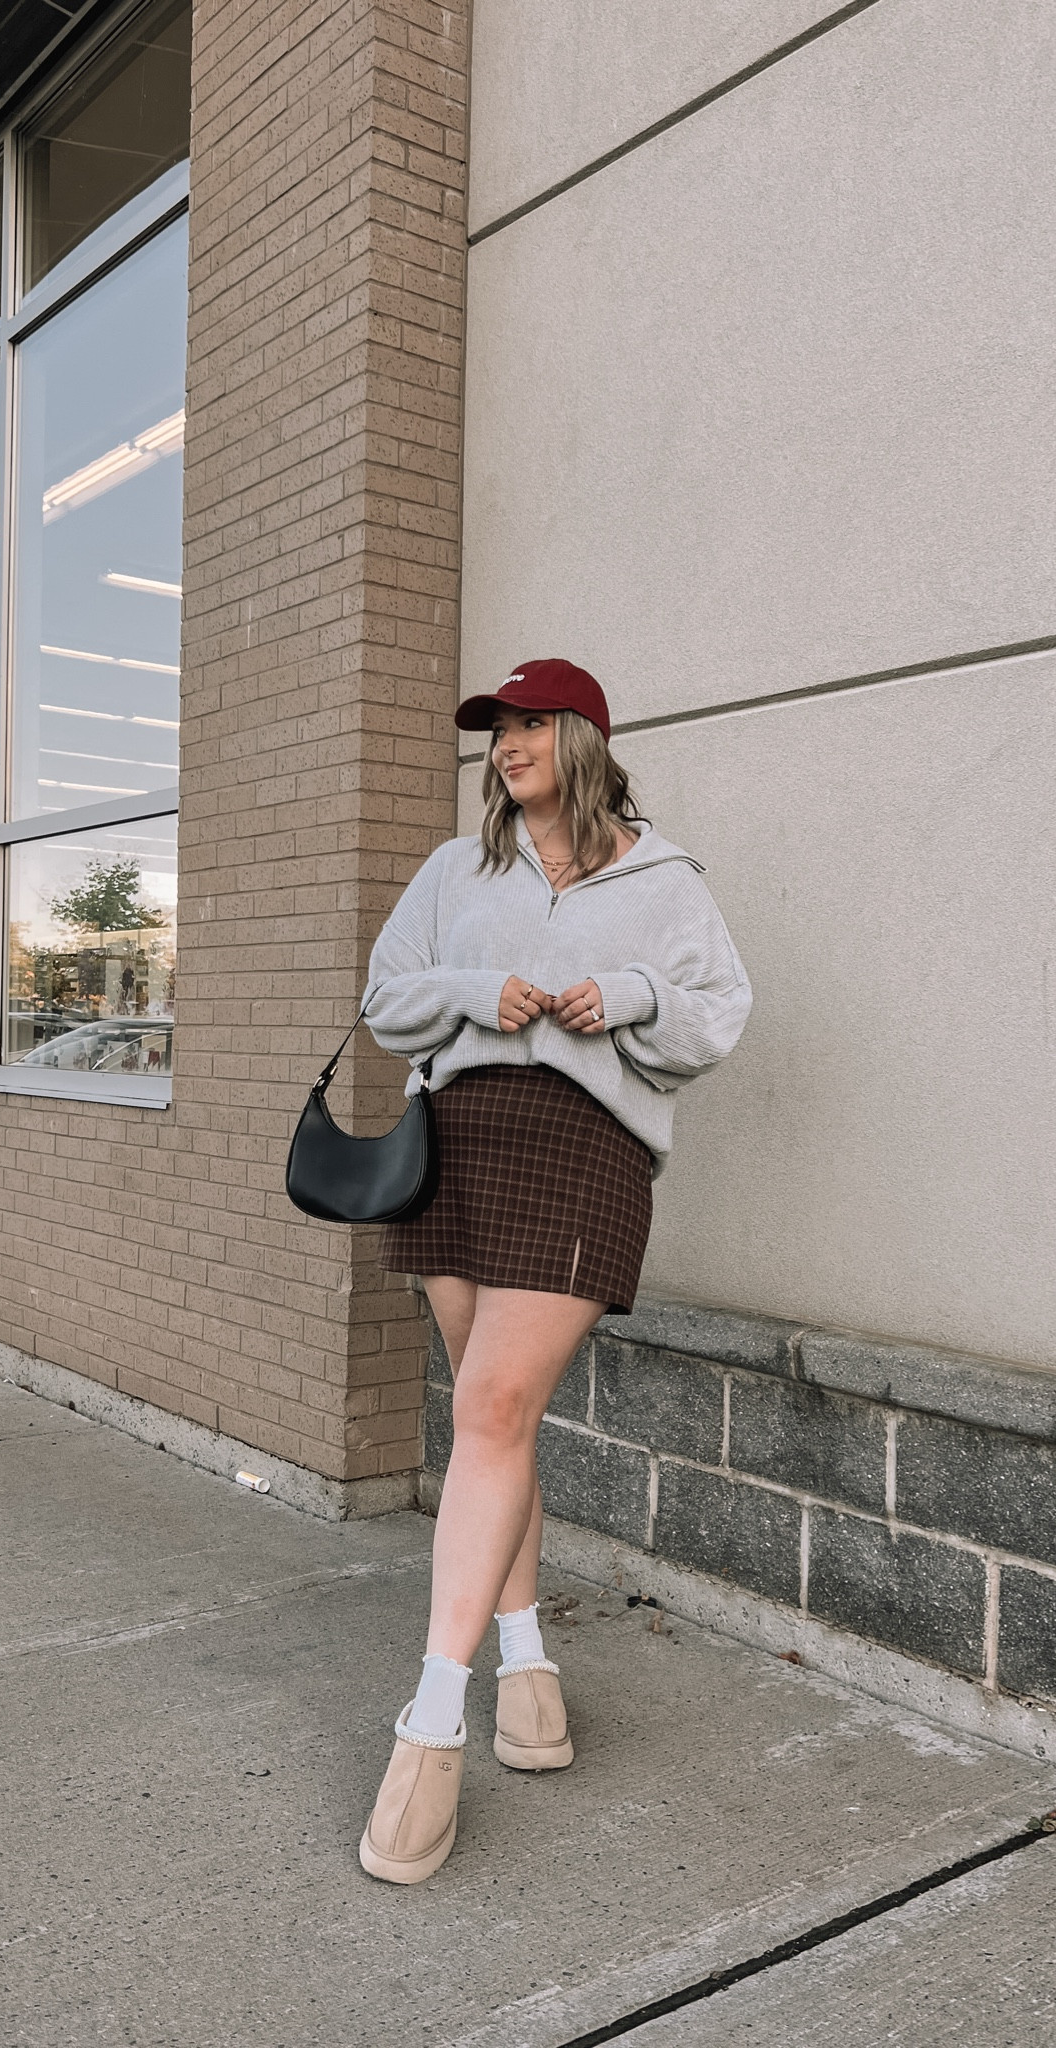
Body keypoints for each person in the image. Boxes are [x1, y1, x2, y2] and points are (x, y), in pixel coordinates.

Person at [354, 657, 752, 1885]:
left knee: (490, 1406)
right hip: (456, 1142)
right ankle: (526, 1668)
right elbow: (385, 998)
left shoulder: (665, 880)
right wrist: (481, 990)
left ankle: (433, 1721)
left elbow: (718, 1010)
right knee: (495, 1419)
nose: (508, 745)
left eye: (530, 725)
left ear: (581, 737)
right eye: (498, 730)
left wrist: (626, 993)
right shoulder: (454, 868)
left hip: (583, 1150)